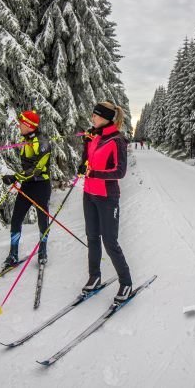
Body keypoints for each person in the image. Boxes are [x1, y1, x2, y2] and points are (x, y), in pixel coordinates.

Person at [77, 101, 133, 304]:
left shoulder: (117, 140)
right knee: (92, 237)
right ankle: (95, 276)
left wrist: (94, 172)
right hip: (89, 194)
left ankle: (126, 282)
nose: (92, 117)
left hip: (107, 197)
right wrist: (84, 152)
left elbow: (120, 171)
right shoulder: (94, 137)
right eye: (92, 114)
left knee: (110, 242)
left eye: (95, 115)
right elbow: (86, 162)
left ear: (106, 118)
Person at [1, 110, 52, 267]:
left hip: (41, 185)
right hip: (27, 186)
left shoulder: (42, 142)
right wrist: (17, 178)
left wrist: (15, 177)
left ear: (29, 126)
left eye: (22, 123)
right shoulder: (25, 140)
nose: (19, 125)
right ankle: (13, 254)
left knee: (42, 220)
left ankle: (42, 251)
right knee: (16, 218)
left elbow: (37, 169)